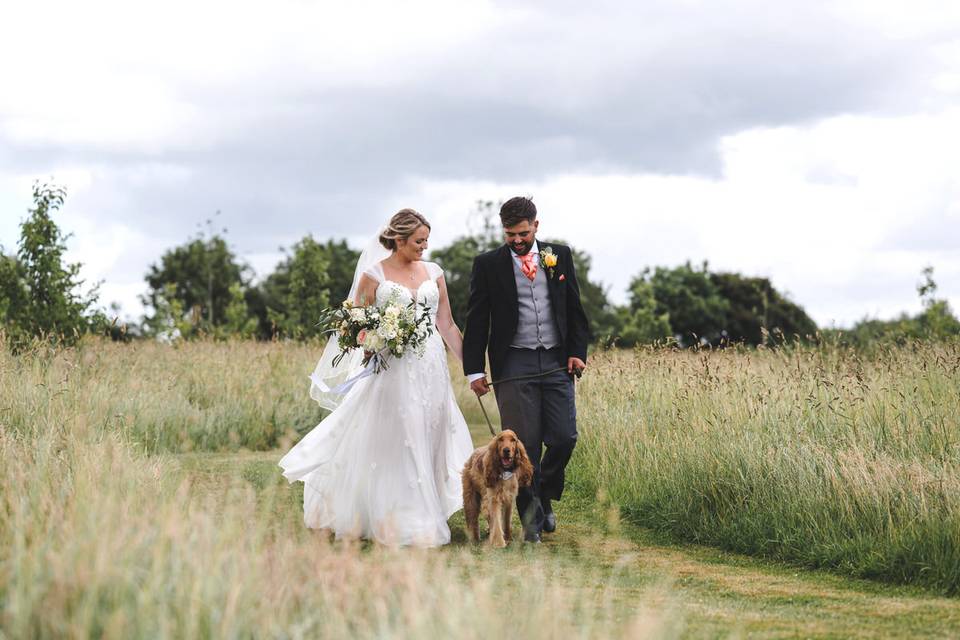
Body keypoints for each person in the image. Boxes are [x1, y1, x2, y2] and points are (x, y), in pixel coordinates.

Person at [279, 209, 474, 547]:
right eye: (418, 241)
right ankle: (406, 518)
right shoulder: (374, 275)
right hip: (394, 369)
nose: (424, 247)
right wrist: (376, 338)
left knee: (432, 432)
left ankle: (427, 509)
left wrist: (473, 369)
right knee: (403, 434)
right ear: (398, 240)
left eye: (427, 240)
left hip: (431, 366)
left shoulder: (434, 272)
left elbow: (446, 324)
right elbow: (351, 326)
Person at [463, 197, 590, 543]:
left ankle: (544, 491)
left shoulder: (559, 256)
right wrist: (474, 369)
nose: (517, 240)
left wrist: (578, 352)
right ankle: (531, 522)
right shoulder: (488, 264)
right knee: (524, 446)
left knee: (565, 437)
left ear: (536, 225)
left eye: (522, 233)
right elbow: (477, 319)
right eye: (509, 234)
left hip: (555, 360)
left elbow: (574, 308)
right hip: (513, 362)